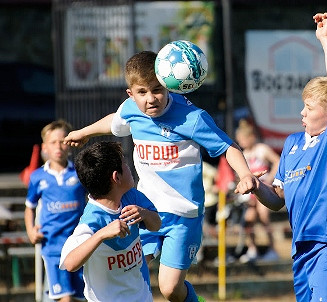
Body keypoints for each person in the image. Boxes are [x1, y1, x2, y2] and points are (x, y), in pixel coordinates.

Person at [63, 50, 258, 302]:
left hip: (182, 214)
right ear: (130, 94)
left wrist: (244, 174)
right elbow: (115, 122)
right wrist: (85, 132)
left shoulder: (192, 118)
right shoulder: (131, 110)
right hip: (142, 207)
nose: (151, 98)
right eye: (142, 92)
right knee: (130, 268)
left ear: (169, 86)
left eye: (157, 89)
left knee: (169, 289)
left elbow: (227, 147)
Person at [236, 13, 327, 302]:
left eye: (308, 107)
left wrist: (325, 39)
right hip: (300, 249)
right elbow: (278, 198)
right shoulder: (291, 144)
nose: (301, 113)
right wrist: (256, 186)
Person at [59, 141, 161, 302]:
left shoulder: (132, 197)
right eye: (125, 164)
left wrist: (145, 214)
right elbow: (70, 264)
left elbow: (156, 225)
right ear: (116, 177)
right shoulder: (92, 220)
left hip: (142, 297)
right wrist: (101, 235)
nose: (129, 168)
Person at [24, 120, 87, 302]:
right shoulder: (38, 177)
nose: (58, 146)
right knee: (64, 298)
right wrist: (30, 229)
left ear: (69, 145)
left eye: (62, 141)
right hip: (52, 246)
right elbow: (29, 207)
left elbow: (93, 200)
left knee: (80, 297)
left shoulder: (79, 173)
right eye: (53, 142)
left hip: (79, 243)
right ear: (45, 147)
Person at [234, 119, 280, 263]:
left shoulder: (261, 149)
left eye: (242, 139)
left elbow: (278, 162)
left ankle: (272, 249)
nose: (240, 142)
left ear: (251, 137)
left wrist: (269, 179)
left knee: (264, 216)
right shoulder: (242, 154)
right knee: (249, 219)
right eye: (238, 140)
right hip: (250, 193)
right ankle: (252, 249)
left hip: (263, 188)